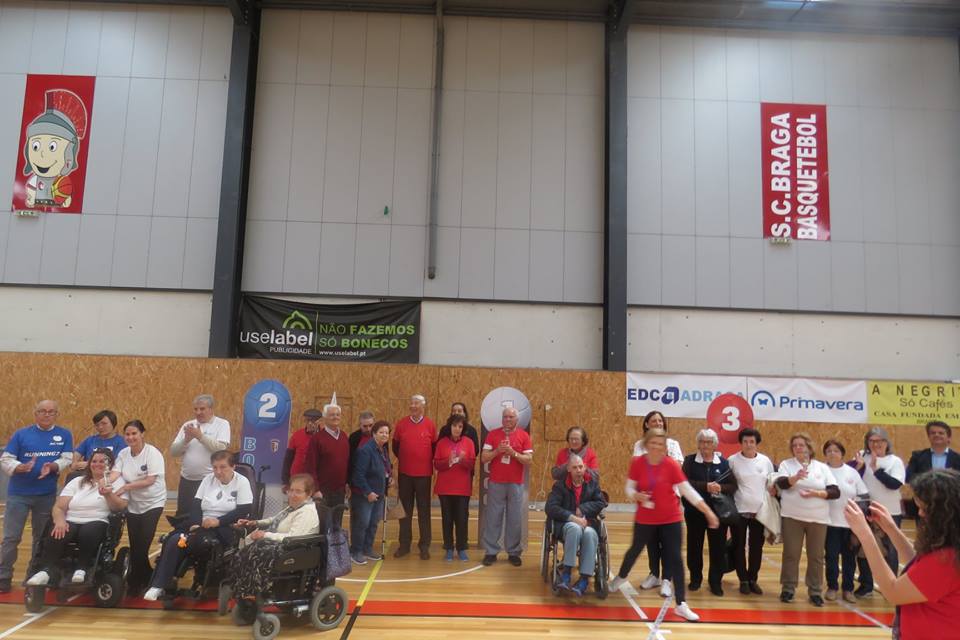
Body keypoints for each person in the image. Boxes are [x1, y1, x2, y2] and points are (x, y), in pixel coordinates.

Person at [610, 428, 719, 622]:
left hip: (671, 519)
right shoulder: (638, 463)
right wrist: (636, 495)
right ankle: (621, 577)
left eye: (660, 444)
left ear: (665, 447)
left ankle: (681, 604)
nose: (656, 447)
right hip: (645, 518)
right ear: (646, 444)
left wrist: (708, 511)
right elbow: (628, 488)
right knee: (635, 550)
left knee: (676, 558)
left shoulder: (671, 465)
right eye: (653, 443)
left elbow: (687, 491)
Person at [844, 469, 960, 640]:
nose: (920, 514)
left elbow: (893, 592)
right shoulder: (950, 549)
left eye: (924, 509)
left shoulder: (946, 560)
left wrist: (865, 535)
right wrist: (891, 528)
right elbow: (919, 566)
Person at [143, 450, 253, 601]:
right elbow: (196, 505)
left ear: (233, 466)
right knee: (173, 540)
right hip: (202, 524)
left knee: (195, 541)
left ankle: (192, 577)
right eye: (215, 467)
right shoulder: (208, 480)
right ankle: (159, 585)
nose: (218, 472)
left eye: (223, 467)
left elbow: (244, 510)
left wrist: (218, 521)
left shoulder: (242, 482)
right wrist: (195, 523)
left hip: (226, 526)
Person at [0, 400, 74, 593]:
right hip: (18, 495)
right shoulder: (21, 434)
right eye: (42, 411)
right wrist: (19, 467)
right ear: (36, 413)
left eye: (51, 411)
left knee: (40, 538)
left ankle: (32, 575)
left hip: (46, 495)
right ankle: (4, 576)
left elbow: (67, 458)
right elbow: (6, 459)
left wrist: (53, 466)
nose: (47, 414)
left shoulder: (64, 434)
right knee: (11, 538)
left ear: (56, 414)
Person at [25, 449, 127, 587]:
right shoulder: (77, 481)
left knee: (89, 531)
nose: (97, 464)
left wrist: (108, 494)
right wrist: (60, 521)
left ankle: (82, 568)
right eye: (94, 461)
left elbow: (119, 507)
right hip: (71, 519)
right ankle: (46, 570)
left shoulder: (117, 482)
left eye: (102, 461)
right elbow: (59, 507)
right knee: (58, 531)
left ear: (110, 465)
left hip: (97, 519)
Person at [774, 432, 840, 607]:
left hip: (818, 519)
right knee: (791, 554)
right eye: (795, 445)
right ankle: (788, 589)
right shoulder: (787, 465)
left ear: (809, 447)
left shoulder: (822, 468)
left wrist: (817, 493)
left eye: (801, 445)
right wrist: (795, 478)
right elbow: (781, 483)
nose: (798, 448)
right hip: (792, 517)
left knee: (816, 556)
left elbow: (835, 491)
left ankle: (815, 591)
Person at [231, 473, 320, 598]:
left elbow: (292, 537)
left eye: (298, 491)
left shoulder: (306, 512)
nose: (292, 494)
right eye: (291, 490)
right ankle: (242, 587)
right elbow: (274, 520)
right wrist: (255, 522)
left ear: (308, 493)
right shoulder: (294, 507)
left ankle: (253, 591)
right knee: (246, 551)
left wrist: (265, 534)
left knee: (256, 551)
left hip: (296, 548)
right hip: (284, 544)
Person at [631, 410, 683, 597]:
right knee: (651, 539)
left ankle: (667, 579)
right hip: (647, 500)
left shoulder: (673, 444)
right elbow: (637, 467)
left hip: (669, 499)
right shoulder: (639, 445)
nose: (658, 423)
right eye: (654, 421)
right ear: (647, 424)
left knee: (668, 541)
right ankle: (654, 574)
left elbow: (677, 468)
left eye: (660, 421)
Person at [113, 419, 167, 595]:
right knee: (135, 544)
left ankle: (136, 580)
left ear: (142, 434)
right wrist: (103, 482)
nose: (130, 437)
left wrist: (126, 487)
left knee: (143, 543)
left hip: (153, 502)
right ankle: (145, 576)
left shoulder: (153, 453)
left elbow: (150, 480)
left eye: (134, 433)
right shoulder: (123, 454)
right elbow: (115, 473)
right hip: (133, 504)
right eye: (127, 434)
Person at [682, 428, 737, 596]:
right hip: (694, 512)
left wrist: (720, 487)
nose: (705, 445)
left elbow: (733, 486)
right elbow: (684, 483)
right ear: (698, 444)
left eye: (709, 442)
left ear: (714, 445)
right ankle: (695, 579)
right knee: (694, 547)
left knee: (718, 549)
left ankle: (715, 582)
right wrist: (705, 486)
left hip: (718, 514)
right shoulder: (689, 461)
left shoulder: (724, 463)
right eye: (702, 441)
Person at [852, 426, 905, 597]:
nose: (876, 444)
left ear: (886, 442)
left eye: (880, 441)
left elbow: (894, 484)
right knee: (865, 548)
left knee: (890, 550)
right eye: (872, 441)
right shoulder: (861, 456)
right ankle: (866, 585)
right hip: (866, 510)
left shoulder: (894, 461)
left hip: (889, 512)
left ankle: (891, 586)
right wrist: (859, 468)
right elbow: (850, 478)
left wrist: (876, 469)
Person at [545, 454, 606, 596]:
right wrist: (572, 517)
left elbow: (601, 502)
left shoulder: (592, 484)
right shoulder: (560, 486)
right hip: (566, 524)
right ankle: (566, 573)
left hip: (588, 523)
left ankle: (584, 579)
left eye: (580, 467)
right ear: (568, 469)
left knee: (590, 533)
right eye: (575, 467)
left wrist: (583, 509)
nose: (578, 470)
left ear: (585, 468)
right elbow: (551, 507)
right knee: (575, 528)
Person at [480, 407, 534, 567]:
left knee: (515, 518)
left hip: (516, 483)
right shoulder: (492, 434)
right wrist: (497, 451)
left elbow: (529, 460)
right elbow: (484, 458)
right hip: (496, 482)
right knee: (493, 517)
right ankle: (491, 551)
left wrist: (513, 453)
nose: (508, 419)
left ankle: (513, 552)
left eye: (511, 417)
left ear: (517, 419)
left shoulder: (524, 436)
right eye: (505, 417)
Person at [727, 427, 775, 595]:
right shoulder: (732, 460)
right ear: (741, 443)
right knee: (738, 546)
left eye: (752, 441)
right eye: (745, 441)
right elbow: (729, 485)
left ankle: (753, 578)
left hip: (759, 512)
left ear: (756, 443)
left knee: (756, 547)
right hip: (739, 511)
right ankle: (743, 580)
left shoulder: (765, 461)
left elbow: (771, 482)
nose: (748, 444)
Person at [169, 394, 230, 517]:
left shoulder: (222, 424)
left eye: (202, 409)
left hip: (209, 480)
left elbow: (221, 449)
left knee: (204, 514)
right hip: (187, 480)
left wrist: (200, 436)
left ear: (211, 409)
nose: (198, 412)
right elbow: (173, 452)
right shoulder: (188, 425)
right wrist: (186, 440)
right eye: (196, 409)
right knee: (183, 516)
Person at [823, 439, 869, 603]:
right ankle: (832, 587)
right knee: (831, 557)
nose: (832, 453)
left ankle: (848, 589)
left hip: (849, 524)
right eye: (829, 451)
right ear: (825, 454)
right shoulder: (821, 471)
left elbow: (863, 496)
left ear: (842, 454)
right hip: (829, 523)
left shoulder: (852, 473)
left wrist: (859, 518)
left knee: (849, 559)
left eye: (836, 450)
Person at [392, 395, 437, 559]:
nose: (413, 406)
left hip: (424, 476)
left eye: (416, 403)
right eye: (411, 403)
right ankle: (404, 544)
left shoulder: (430, 425)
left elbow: (434, 447)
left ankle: (424, 546)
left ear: (423, 406)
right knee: (404, 511)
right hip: (405, 475)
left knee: (424, 511)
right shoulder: (401, 424)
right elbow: (395, 447)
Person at [433, 415, 476, 562]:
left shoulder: (469, 443)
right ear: (449, 426)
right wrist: (448, 461)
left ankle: (462, 548)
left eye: (460, 426)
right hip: (445, 488)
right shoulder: (442, 443)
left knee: (462, 519)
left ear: (463, 429)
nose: (457, 429)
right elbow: (437, 464)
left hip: (462, 488)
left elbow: (472, 465)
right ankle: (449, 548)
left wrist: (463, 460)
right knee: (447, 519)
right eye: (454, 426)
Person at [350, 421, 392, 565]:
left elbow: (385, 468)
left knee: (373, 523)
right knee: (362, 524)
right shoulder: (365, 451)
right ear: (374, 434)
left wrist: (389, 477)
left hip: (379, 495)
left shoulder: (383, 449)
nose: (384, 435)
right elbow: (358, 475)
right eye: (381, 432)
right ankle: (356, 551)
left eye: (387, 433)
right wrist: (368, 492)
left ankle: (367, 549)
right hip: (365, 496)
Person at [308, 401, 351, 529]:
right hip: (322, 492)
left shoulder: (344, 437)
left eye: (337, 414)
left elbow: (346, 463)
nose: (335, 417)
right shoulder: (317, 439)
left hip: (339, 491)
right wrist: (315, 489)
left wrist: (347, 483)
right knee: (322, 526)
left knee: (337, 525)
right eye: (332, 415)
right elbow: (310, 466)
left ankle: (335, 543)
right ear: (325, 417)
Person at [71, 410, 126, 474]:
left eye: (104, 424)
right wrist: (75, 463)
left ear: (113, 423)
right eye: (97, 425)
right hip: (87, 473)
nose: (100, 427)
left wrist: (89, 464)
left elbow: (116, 463)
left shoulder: (121, 442)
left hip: (110, 474)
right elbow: (77, 453)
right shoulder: (90, 440)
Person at [281, 408, 323, 488]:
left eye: (313, 421)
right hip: (297, 477)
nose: (310, 423)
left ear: (319, 421)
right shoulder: (297, 435)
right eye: (307, 420)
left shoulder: (324, 437)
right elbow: (288, 459)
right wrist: (285, 481)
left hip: (316, 480)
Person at [347, 411, 376, 484]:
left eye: (371, 425)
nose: (368, 429)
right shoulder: (354, 438)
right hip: (358, 480)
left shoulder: (380, 436)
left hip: (376, 480)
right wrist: (348, 481)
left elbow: (385, 459)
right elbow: (350, 460)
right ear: (360, 425)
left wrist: (389, 475)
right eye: (365, 426)